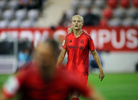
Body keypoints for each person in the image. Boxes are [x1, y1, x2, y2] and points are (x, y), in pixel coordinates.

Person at [0, 39, 104, 100]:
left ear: (54, 57)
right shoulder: (24, 76)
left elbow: (93, 94)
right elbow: (4, 94)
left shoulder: (68, 77)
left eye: (45, 56)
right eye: (39, 55)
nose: (41, 60)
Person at [57, 15, 105, 100]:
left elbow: (94, 54)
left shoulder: (87, 38)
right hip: (69, 71)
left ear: (82, 24)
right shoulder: (68, 37)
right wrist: (56, 67)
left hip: (82, 72)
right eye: (74, 21)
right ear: (72, 23)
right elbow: (62, 55)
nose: (76, 23)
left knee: (75, 95)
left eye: (78, 21)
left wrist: (100, 69)